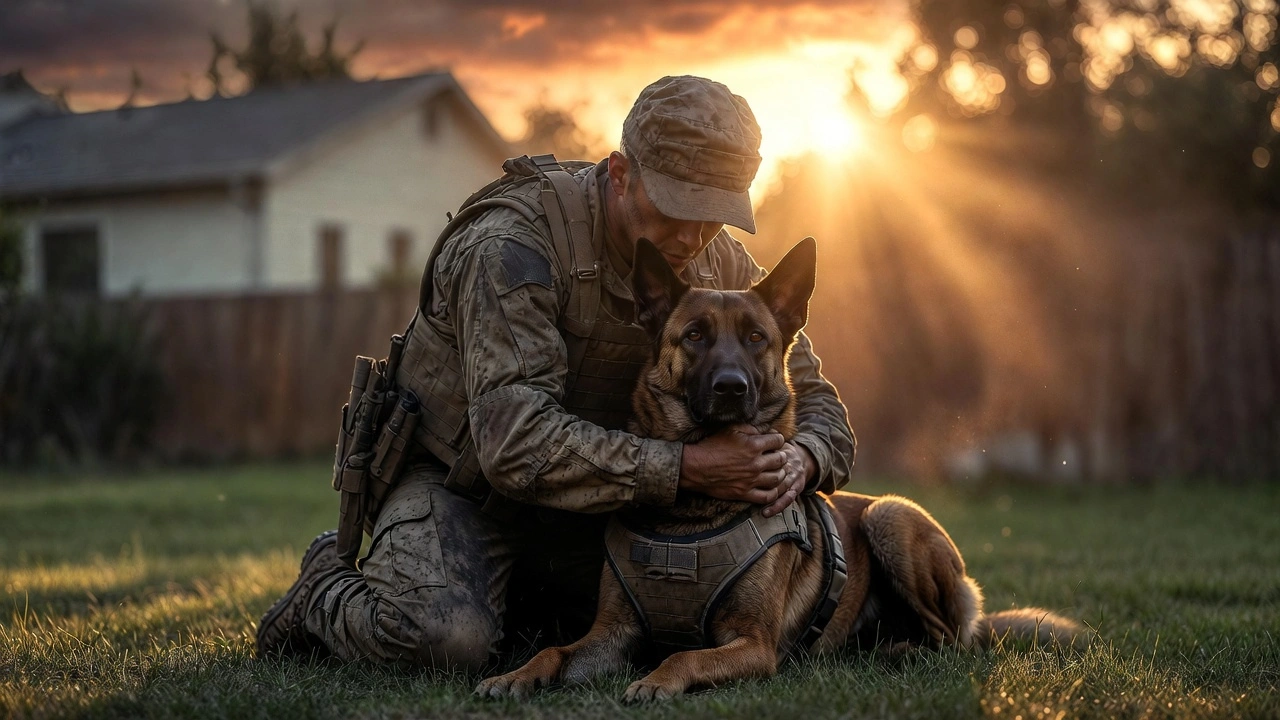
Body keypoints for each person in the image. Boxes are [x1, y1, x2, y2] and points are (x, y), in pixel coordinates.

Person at [255, 75, 855, 671]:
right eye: (676, 207)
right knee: (440, 639)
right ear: (621, 175)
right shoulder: (514, 246)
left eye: (716, 214)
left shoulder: (711, 256)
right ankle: (323, 586)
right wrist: (690, 468)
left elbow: (819, 403)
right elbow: (515, 444)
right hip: (464, 487)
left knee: (621, 629)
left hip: (597, 502)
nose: (693, 236)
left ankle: (514, 601)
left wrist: (799, 460)